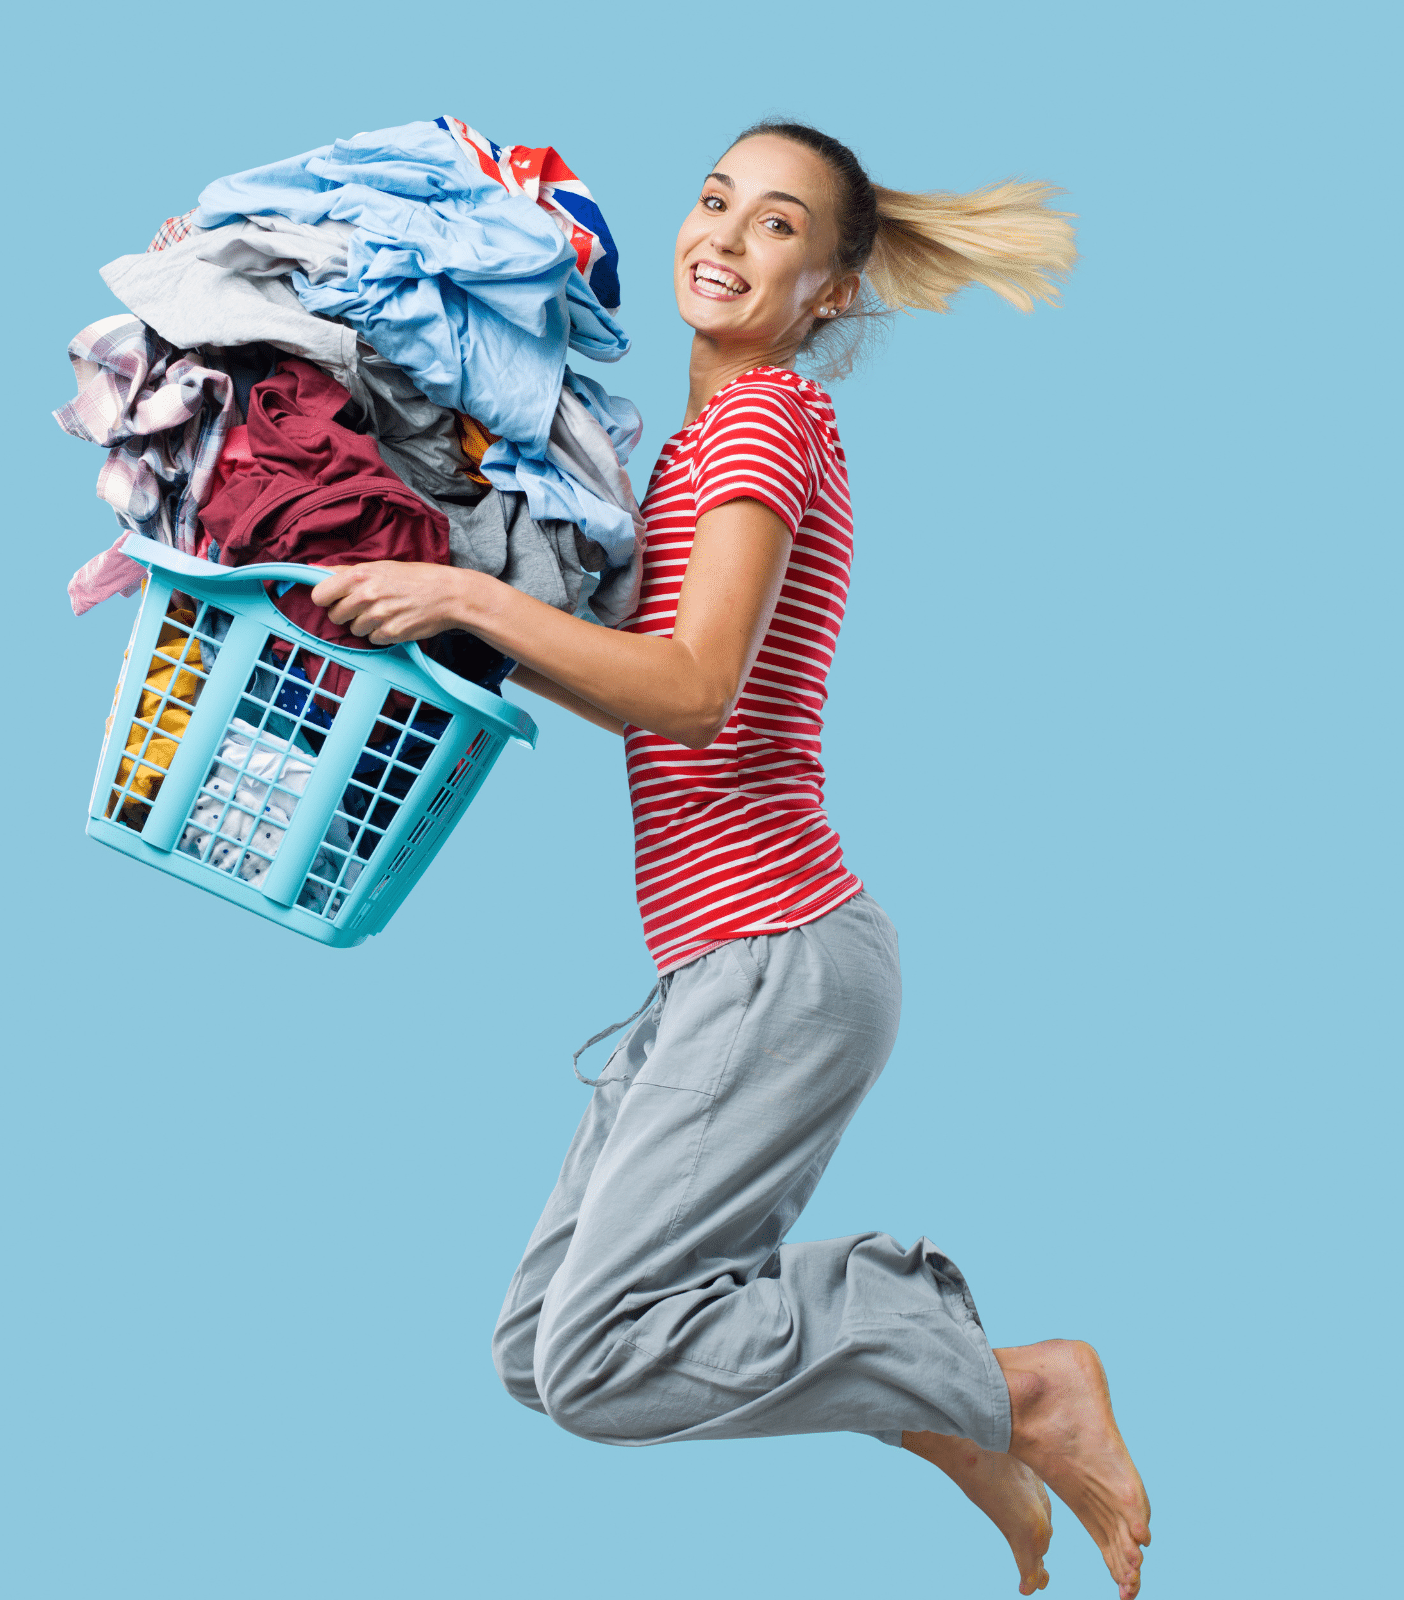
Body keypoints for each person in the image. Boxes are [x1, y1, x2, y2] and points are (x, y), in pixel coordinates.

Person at [310, 122, 1151, 1598]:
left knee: (600, 1358)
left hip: (779, 951)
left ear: (829, 289)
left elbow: (695, 687)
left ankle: (1011, 1388)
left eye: (776, 227)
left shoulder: (765, 420)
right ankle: (931, 1390)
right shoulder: (693, 449)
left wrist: (459, 590)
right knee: (537, 1351)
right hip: (722, 963)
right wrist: (449, 604)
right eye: (715, 202)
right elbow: (639, 684)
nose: (724, 236)